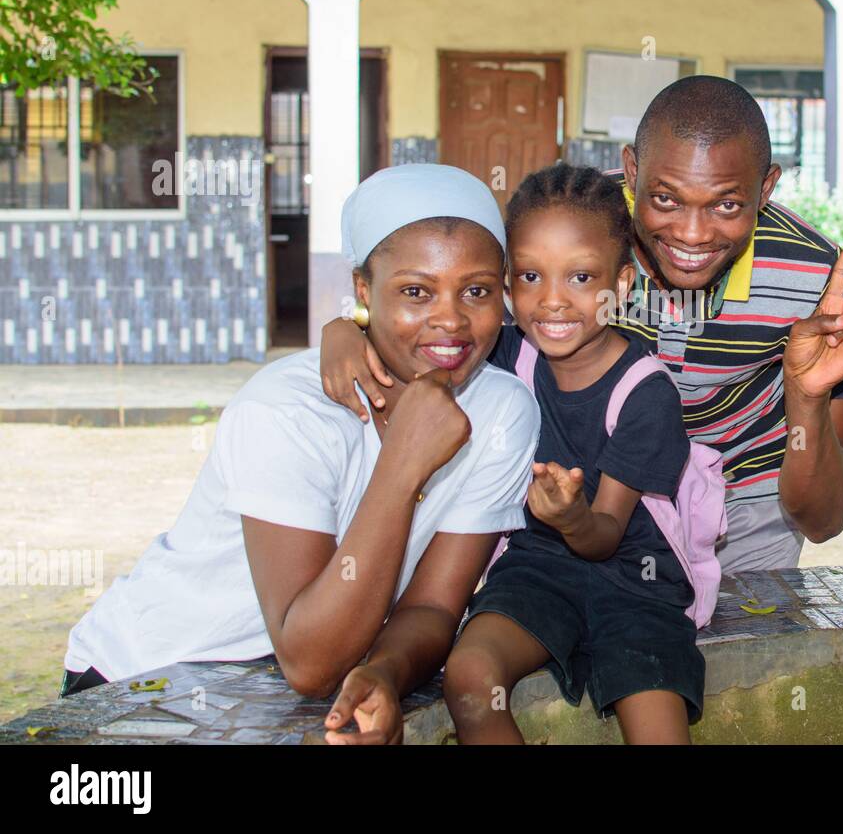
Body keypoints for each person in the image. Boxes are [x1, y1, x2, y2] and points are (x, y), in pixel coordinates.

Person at [322, 76, 843, 574]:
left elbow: (824, 521)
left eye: (727, 204)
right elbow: (452, 305)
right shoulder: (572, 228)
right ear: (631, 171)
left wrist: (804, 396)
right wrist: (351, 327)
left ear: (768, 187)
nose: (693, 235)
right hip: (584, 487)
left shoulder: (814, 284)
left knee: (730, 663)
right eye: (665, 199)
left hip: (741, 507)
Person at [61, 164, 541, 745]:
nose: (451, 318)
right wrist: (403, 467)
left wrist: (385, 671)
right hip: (150, 679)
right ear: (364, 291)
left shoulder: (503, 410)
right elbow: (311, 661)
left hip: (296, 681)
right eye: (416, 291)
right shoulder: (286, 410)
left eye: (477, 291)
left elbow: (435, 608)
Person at [446, 163, 703, 743]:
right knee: (468, 675)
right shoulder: (508, 352)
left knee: (657, 723)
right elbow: (413, 341)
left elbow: (606, 533)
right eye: (531, 276)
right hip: (537, 570)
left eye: (581, 278)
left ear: (624, 285)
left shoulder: (646, 394)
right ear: (508, 284)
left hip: (636, 580)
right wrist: (344, 332)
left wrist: (570, 515)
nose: (553, 302)